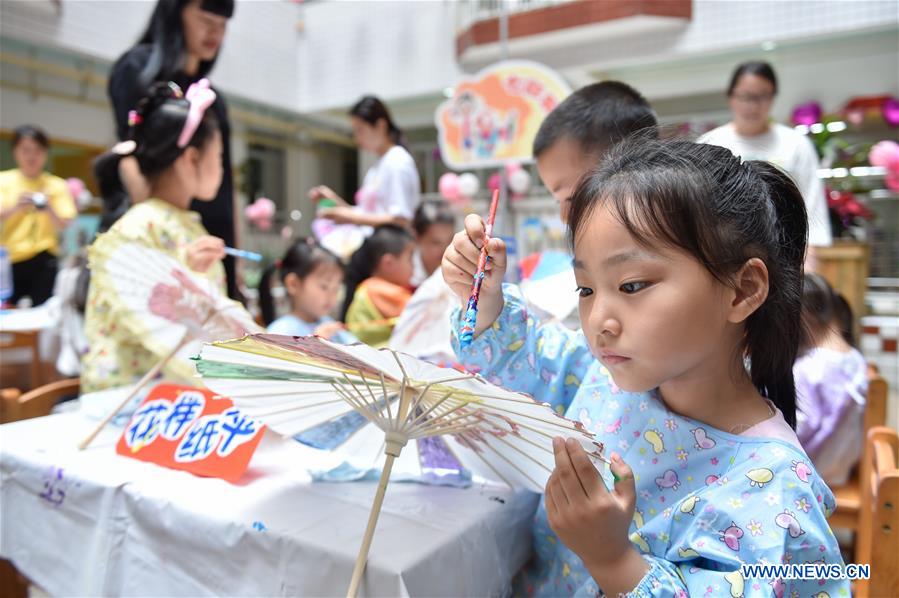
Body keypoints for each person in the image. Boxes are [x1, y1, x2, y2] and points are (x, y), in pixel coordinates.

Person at [442, 137, 846, 596]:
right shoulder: (607, 377)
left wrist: (612, 560)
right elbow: (535, 358)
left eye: (632, 285)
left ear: (741, 290)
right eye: (586, 289)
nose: (599, 322)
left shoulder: (774, 492)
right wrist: (486, 295)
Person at [82, 80, 239, 392]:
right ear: (191, 159)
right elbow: (148, 318)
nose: (222, 169)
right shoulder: (138, 228)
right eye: (218, 157)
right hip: (132, 395)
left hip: (171, 391)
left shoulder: (183, 225)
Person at [107, 0, 241, 300]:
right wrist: (164, 245)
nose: (215, 32)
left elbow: (228, 185)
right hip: (162, 243)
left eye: (222, 25)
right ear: (175, 12)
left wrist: (235, 267)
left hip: (209, 241)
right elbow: (130, 156)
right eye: (206, 19)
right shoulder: (137, 69)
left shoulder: (212, 97)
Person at [700, 61, 832, 268]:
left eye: (762, 97)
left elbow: (812, 202)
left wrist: (809, 262)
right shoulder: (710, 143)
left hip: (786, 252)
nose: (753, 105)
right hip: (726, 252)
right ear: (731, 97)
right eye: (745, 96)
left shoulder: (796, 144)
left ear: (773, 98)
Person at [794, 273, 867, 486]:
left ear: (803, 316)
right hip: (843, 467)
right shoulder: (855, 359)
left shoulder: (809, 368)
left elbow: (802, 426)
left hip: (814, 472)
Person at [309, 96, 420, 229]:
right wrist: (334, 201)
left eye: (359, 129)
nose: (356, 138)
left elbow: (401, 219)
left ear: (381, 125)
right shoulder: (380, 164)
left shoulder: (397, 161)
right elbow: (367, 214)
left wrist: (349, 216)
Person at [0, 125, 76, 306]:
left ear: (45, 153)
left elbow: (65, 223)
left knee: (44, 311)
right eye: (25, 150)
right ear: (15, 152)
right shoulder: (3, 180)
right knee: (6, 309)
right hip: (10, 256)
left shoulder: (56, 185)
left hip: (44, 257)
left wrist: (48, 208)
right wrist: (16, 206)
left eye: (37, 150)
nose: (31, 156)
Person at [260, 237, 357, 344]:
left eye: (336, 289)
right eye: (324, 286)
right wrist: (316, 343)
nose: (332, 296)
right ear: (294, 284)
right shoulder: (279, 332)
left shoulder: (329, 324)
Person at [342, 224, 415, 347]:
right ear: (388, 263)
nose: (413, 266)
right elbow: (424, 313)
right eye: (409, 259)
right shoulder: (378, 289)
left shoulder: (368, 287)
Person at [411, 199, 456, 286]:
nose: (445, 250)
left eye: (450, 241)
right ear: (417, 238)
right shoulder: (404, 277)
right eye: (436, 243)